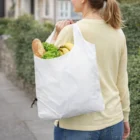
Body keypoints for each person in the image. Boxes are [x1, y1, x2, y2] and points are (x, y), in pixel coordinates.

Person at [51, 0, 130, 139]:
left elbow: (51, 73)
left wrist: (57, 35)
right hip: (113, 121)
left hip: (76, 124)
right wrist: (125, 116)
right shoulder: (118, 33)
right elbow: (122, 79)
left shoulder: (71, 31)